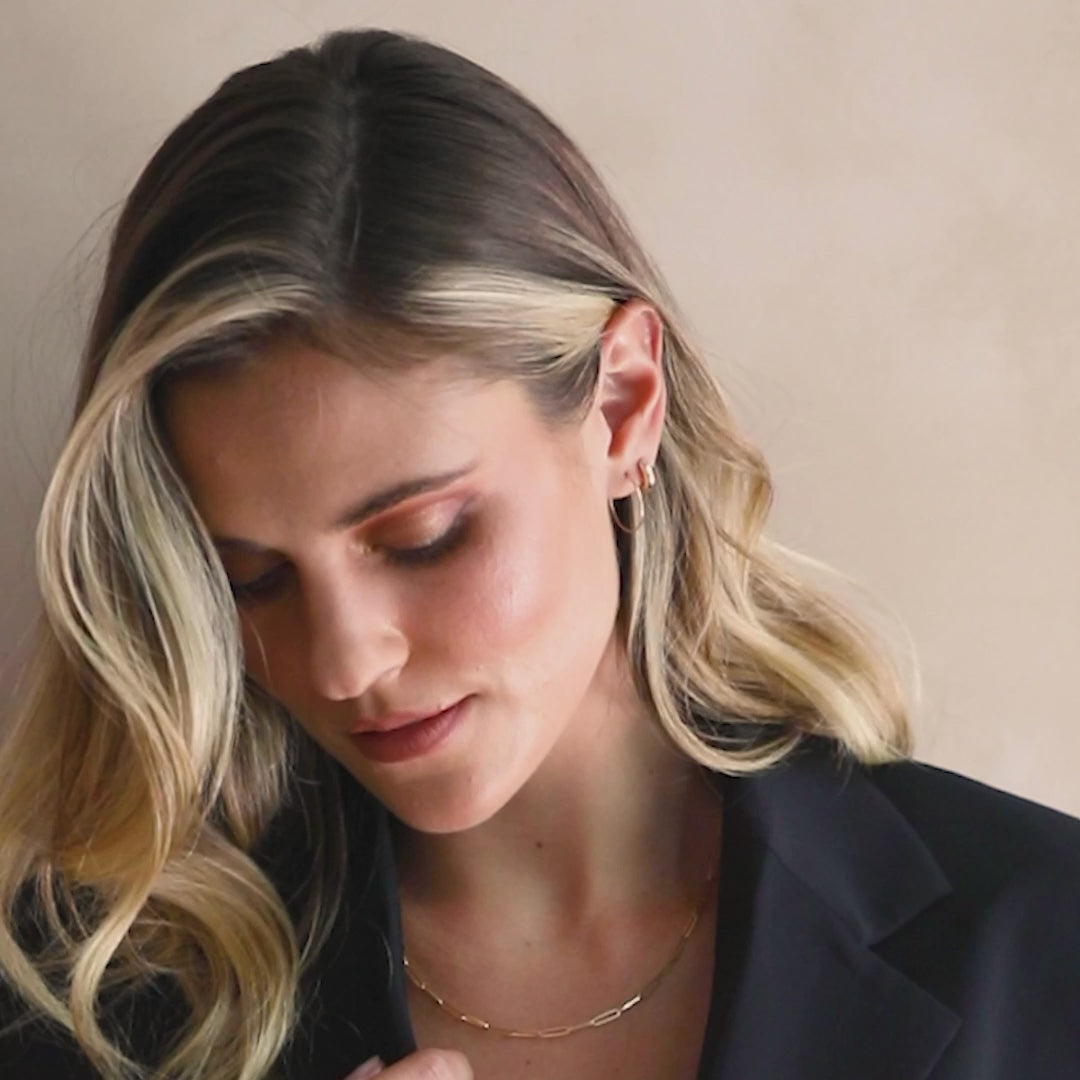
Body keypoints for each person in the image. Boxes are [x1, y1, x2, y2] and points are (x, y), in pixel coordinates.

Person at [0, 26, 1077, 1080]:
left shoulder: (1038, 943)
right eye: (252, 578)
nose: (341, 663)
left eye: (423, 539)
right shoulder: (85, 1005)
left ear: (621, 407)